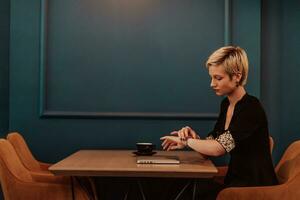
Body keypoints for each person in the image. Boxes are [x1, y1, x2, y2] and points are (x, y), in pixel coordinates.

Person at [160, 46, 278, 199]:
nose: (212, 84)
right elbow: (209, 148)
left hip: (253, 189)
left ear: (236, 76)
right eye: (212, 77)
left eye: (218, 78)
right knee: (179, 188)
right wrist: (192, 139)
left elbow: (218, 149)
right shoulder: (226, 105)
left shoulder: (251, 108)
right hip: (234, 183)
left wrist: (187, 141)